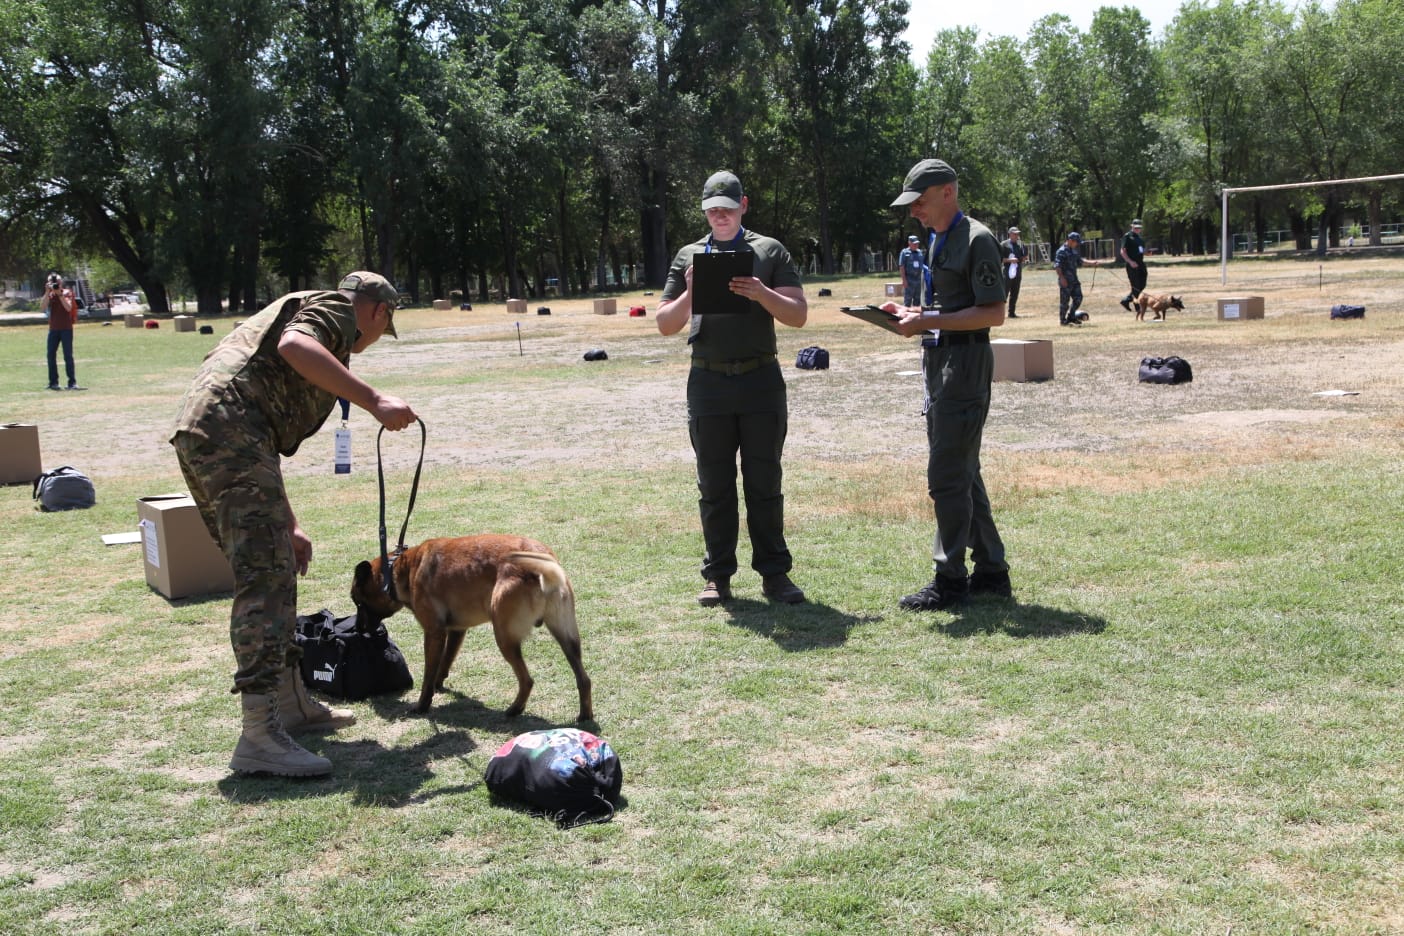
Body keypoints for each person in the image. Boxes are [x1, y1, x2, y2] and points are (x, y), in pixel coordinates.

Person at [170, 272, 416, 777]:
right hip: (228, 436)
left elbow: (260, 436)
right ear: (376, 310)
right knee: (264, 580)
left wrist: (289, 520)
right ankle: (260, 734)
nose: (372, 341)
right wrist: (375, 400)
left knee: (276, 568)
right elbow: (294, 345)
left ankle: (290, 704)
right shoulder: (333, 310)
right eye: (383, 325)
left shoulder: (309, 313)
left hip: (225, 437)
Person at [656, 170, 808, 607]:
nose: (719, 215)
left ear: (744, 205)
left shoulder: (769, 250)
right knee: (715, 485)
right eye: (711, 210)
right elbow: (666, 324)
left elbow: (798, 315)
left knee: (765, 482)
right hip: (707, 381)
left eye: (727, 207)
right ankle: (717, 576)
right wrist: (690, 294)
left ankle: (775, 575)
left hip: (760, 380)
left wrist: (761, 292)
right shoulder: (689, 255)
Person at [880, 158, 1011, 611]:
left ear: (947, 192)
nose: (914, 209)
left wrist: (929, 320)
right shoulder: (938, 238)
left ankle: (950, 579)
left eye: (920, 200)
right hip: (940, 360)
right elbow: (941, 306)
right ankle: (992, 571)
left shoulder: (976, 239)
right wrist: (910, 316)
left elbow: (994, 313)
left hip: (965, 360)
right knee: (963, 470)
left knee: (946, 476)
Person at [1053, 232, 1108, 325]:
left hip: (1074, 280)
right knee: (1064, 302)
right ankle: (1063, 321)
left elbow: (1081, 262)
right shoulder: (1061, 251)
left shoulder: (1074, 251)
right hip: (1065, 280)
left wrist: (1093, 263)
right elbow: (1057, 266)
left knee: (1078, 298)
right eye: (1076, 242)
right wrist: (1062, 278)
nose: (1077, 244)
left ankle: (1071, 317)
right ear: (1070, 241)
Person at [43, 273, 83, 390]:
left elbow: (68, 308)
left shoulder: (67, 293)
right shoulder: (49, 295)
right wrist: (46, 292)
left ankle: (72, 382)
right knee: (50, 355)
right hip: (53, 329)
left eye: (57, 283)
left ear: (61, 283)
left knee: (68, 356)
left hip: (66, 328)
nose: (55, 285)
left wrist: (60, 295)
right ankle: (53, 382)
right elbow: (42, 307)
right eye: (52, 282)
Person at [1118, 219, 1148, 312]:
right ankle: (1137, 306)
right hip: (1132, 264)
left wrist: (1147, 252)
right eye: (1136, 227)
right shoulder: (1127, 236)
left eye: (1139, 227)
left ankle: (1126, 300)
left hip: (1140, 263)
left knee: (1142, 284)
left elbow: (1141, 250)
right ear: (1132, 226)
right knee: (1135, 285)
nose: (1137, 229)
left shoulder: (1140, 238)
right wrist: (1130, 262)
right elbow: (1122, 251)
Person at [999, 227, 1028, 318]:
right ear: (1010, 234)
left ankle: (1012, 313)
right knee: (1004, 293)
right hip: (1007, 273)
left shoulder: (1020, 245)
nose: (1016, 235)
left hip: (1018, 272)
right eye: (1014, 234)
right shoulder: (1004, 244)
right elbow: (1000, 259)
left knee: (1015, 293)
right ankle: (1000, 313)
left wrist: (1024, 258)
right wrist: (1010, 260)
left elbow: (1023, 257)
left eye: (1017, 234)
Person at [898, 234, 927, 308]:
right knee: (907, 301)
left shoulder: (920, 252)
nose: (916, 245)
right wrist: (904, 280)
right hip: (909, 280)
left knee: (918, 301)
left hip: (918, 280)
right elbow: (902, 267)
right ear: (909, 243)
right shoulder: (904, 253)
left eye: (917, 243)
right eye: (914, 243)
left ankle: (916, 317)